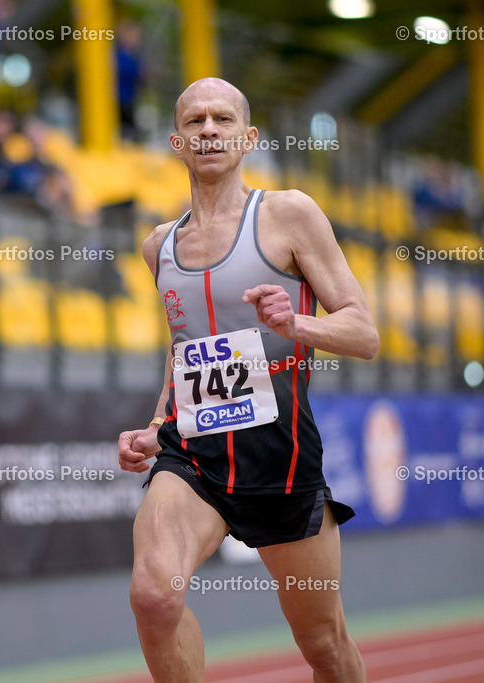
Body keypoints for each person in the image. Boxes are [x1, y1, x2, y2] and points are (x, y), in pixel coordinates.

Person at [117, 78, 376, 682]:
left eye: (223, 119)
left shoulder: (289, 214)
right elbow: (182, 349)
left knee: (325, 647)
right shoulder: (159, 247)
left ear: (248, 137)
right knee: (154, 595)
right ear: (178, 141)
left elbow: (364, 333)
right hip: (194, 456)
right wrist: (159, 423)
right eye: (196, 121)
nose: (209, 130)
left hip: (280, 460)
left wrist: (298, 323)